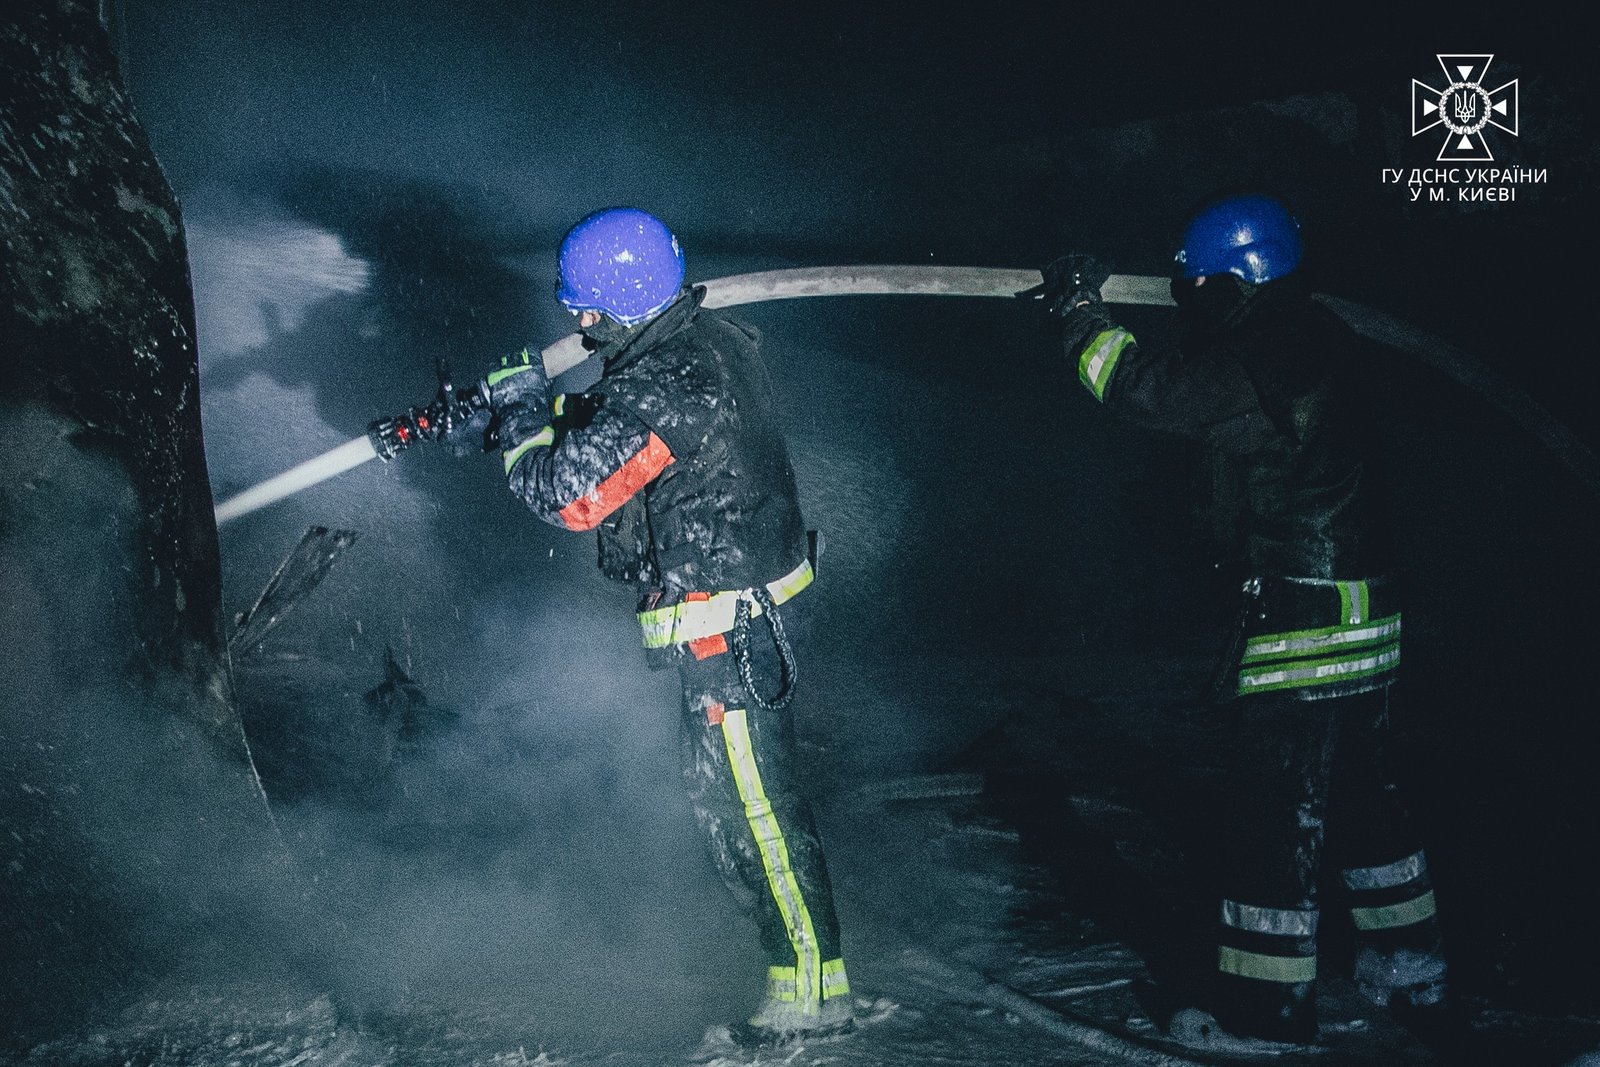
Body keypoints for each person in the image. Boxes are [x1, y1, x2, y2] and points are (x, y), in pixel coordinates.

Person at [1022, 193, 1448, 1047]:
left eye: (1196, 282)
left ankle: (1265, 1010)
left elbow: (1141, 387)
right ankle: (1409, 968)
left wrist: (1078, 309)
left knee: (1273, 823)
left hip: (1306, 624)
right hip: (1366, 619)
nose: (1187, 296)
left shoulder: (1267, 351)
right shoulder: (1320, 335)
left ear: (1235, 276)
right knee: (1367, 803)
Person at [469, 206, 852, 1045]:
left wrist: (525, 416)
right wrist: (525, 418)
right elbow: (630, 441)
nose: (577, 322)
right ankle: (799, 978)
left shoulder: (668, 384)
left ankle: (814, 1000)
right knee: (733, 804)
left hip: (730, 636)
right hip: (735, 625)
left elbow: (570, 496)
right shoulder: (704, 348)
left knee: (758, 812)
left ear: (617, 300)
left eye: (585, 307)